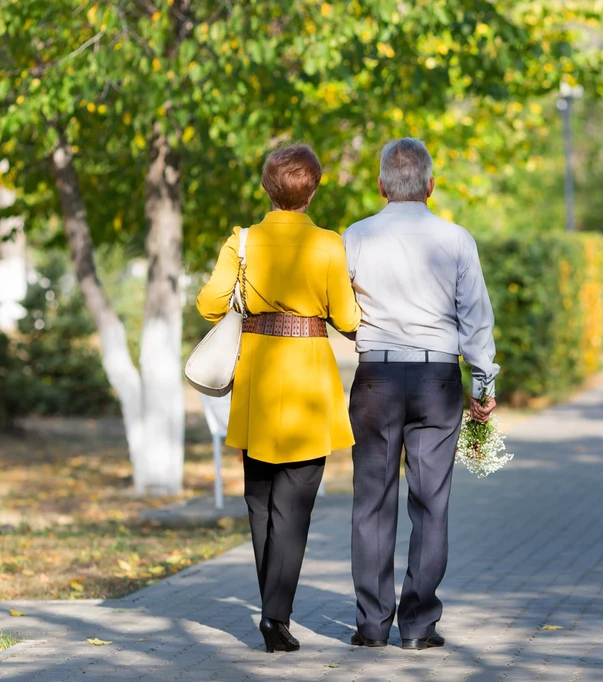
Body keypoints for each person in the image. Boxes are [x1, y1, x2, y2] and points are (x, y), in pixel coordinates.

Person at [196, 144, 361, 653]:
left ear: (267, 188)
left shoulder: (241, 241)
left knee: (260, 500)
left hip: (258, 378)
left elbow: (208, 305)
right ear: (312, 191)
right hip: (309, 379)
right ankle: (275, 616)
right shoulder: (330, 245)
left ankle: (273, 610)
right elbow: (350, 320)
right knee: (294, 506)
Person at [343, 138, 499, 650]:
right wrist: (483, 384)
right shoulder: (456, 239)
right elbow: (476, 319)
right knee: (431, 504)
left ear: (382, 185)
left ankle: (371, 625)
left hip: (377, 379)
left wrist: (366, 335)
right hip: (437, 380)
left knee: (372, 502)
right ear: (430, 186)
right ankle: (417, 626)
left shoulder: (356, 237)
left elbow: (342, 311)